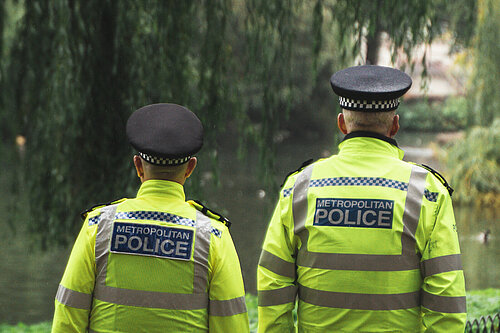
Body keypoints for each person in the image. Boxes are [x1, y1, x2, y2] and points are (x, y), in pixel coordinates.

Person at [257, 65, 466, 332]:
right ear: (395, 125)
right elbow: (446, 304)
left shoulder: (299, 188)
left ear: (342, 124)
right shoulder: (427, 192)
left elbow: (273, 285)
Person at [52, 103, 249, 332]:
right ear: (190, 168)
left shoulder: (99, 226)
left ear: (138, 165)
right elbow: (231, 324)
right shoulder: (213, 236)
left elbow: (68, 315)